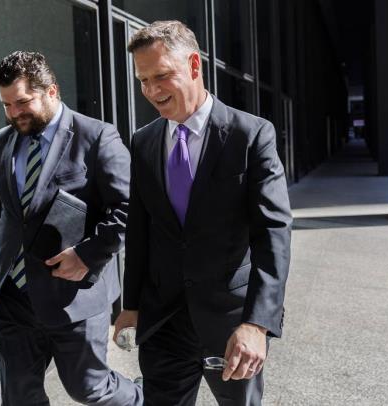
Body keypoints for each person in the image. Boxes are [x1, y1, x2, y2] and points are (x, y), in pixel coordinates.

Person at [113, 21, 292, 405]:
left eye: (161, 76)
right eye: (143, 80)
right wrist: (130, 306)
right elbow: (141, 230)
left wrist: (257, 324)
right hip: (163, 322)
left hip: (231, 322)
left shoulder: (251, 135)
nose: (151, 91)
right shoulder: (143, 143)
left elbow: (273, 234)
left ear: (194, 66)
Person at [0, 51, 142, 406]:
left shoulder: (97, 137)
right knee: (20, 398)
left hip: (73, 295)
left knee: (90, 389)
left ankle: (143, 397)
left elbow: (132, 207)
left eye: (22, 102)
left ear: (52, 91)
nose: (14, 113)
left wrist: (87, 254)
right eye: (6, 105)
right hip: (12, 299)